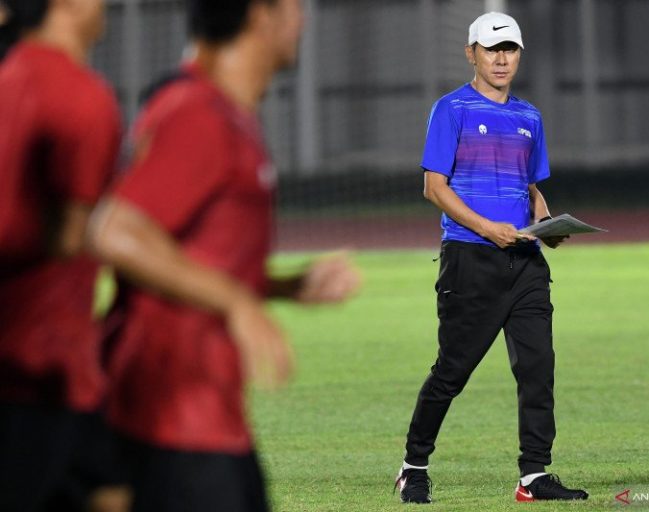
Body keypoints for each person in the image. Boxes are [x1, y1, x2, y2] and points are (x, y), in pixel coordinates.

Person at [87, 0, 360, 511]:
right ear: (260, 15)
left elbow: (187, 254)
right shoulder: (199, 114)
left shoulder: (228, 113)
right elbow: (115, 231)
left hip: (203, 415)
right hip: (171, 417)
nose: (302, 18)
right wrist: (237, 302)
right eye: (295, 6)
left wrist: (282, 286)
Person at [393, 12, 588, 504]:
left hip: (525, 263)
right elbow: (433, 188)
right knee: (452, 371)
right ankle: (413, 465)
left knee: (537, 368)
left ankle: (534, 476)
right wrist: (487, 229)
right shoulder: (451, 109)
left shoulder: (529, 116)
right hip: (470, 259)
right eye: (491, 49)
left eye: (510, 49)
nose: (502, 58)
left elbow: (529, 184)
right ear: (471, 53)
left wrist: (545, 224)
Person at [0, 1, 128, 511]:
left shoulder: (9, 79)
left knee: (111, 487)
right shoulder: (82, 96)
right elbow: (72, 236)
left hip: (39, 357)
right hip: (43, 360)